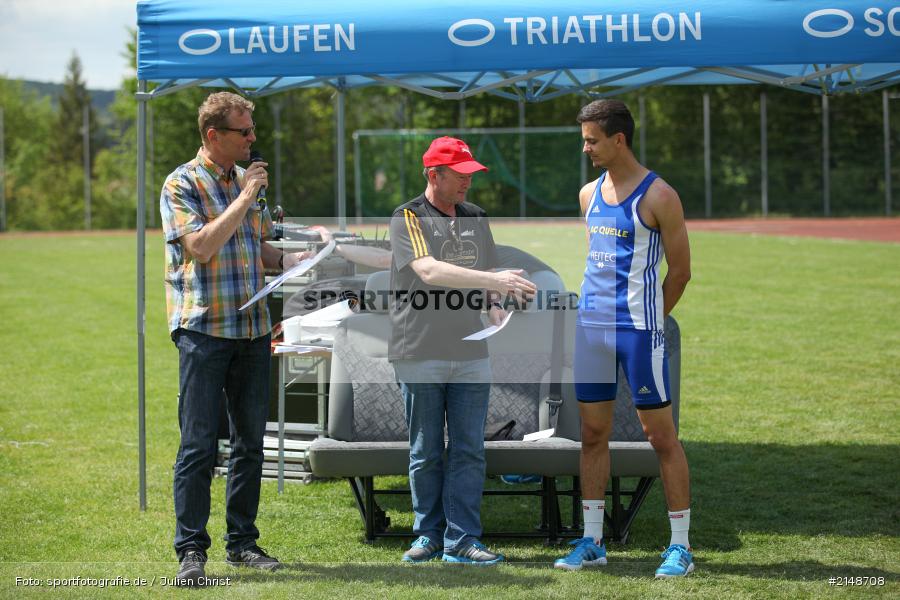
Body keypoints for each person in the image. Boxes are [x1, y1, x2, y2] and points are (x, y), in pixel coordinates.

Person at [159, 91, 306, 586]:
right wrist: (244, 198)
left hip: (251, 329)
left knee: (250, 445)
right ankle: (190, 551)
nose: (252, 138)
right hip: (203, 331)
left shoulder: (247, 183)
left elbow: (255, 245)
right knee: (199, 445)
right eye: (243, 132)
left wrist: (295, 260)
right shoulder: (181, 183)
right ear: (212, 135)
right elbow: (200, 247)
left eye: (252, 130)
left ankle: (242, 543)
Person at [554, 100, 693, 578]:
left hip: (639, 333)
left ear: (619, 139)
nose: (586, 148)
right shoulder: (587, 194)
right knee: (592, 434)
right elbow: (598, 260)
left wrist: (651, 320)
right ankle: (592, 541)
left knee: (661, 437)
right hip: (590, 332)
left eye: (592, 139)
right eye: (584, 139)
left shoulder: (661, 195)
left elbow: (682, 272)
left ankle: (680, 546)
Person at [388, 136, 536, 564]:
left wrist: (494, 307)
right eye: (461, 175)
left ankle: (464, 538)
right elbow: (430, 271)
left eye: (471, 174)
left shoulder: (475, 216)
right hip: (419, 349)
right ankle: (427, 534)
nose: (468, 183)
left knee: (470, 448)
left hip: (471, 350)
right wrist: (496, 284)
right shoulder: (407, 217)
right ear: (434, 175)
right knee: (425, 449)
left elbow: (485, 272)